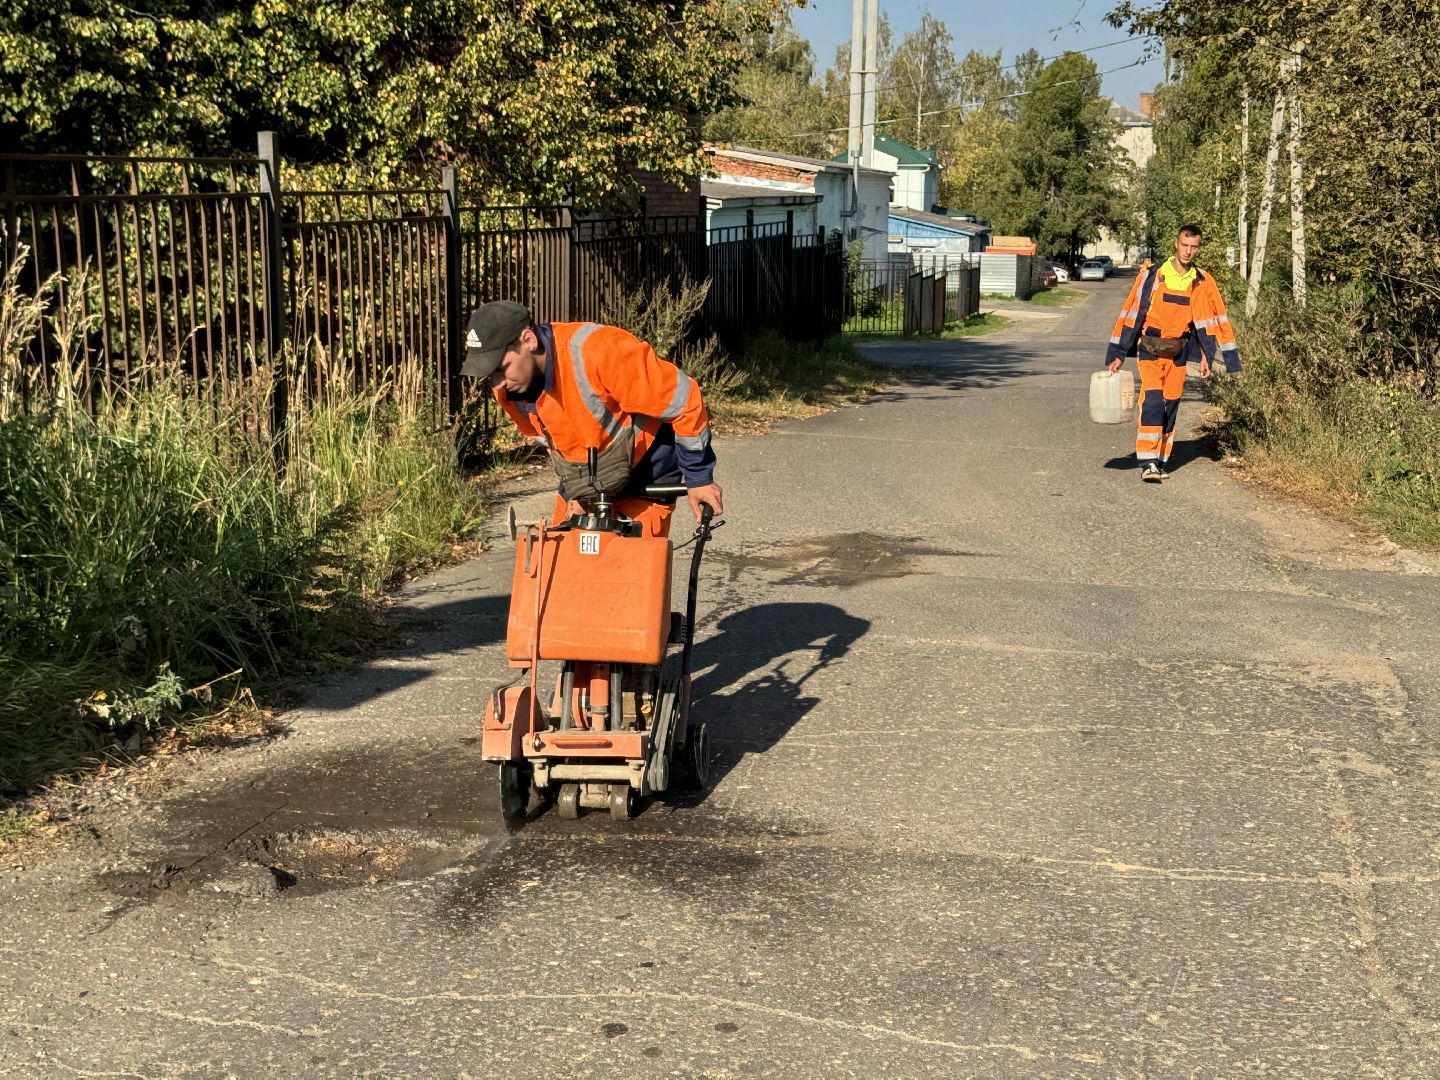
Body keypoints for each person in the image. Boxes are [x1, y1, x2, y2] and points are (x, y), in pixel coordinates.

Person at [461, 300, 723, 536]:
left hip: (646, 473)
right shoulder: (509, 391)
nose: (497, 383)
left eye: (501, 368)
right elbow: (555, 441)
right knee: (562, 563)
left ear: (529, 340)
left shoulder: (600, 352)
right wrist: (577, 493)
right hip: (587, 482)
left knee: (631, 567)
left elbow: (683, 403)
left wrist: (698, 478)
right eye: (489, 374)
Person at [1105, 224, 1242, 482]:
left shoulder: (1202, 281)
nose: (1188, 251)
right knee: (1153, 402)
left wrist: (1208, 355)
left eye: (1194, 247)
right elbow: (1131, 312)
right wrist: (1118, 353)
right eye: (1184, 245)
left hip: (1179, 351)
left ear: (1198, 248)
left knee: (1171, 404)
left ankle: (1160, 460)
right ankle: (1148, 461)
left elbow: (1213, 319)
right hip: (1150, 348)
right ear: (1176, 244)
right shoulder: (1153, 275)